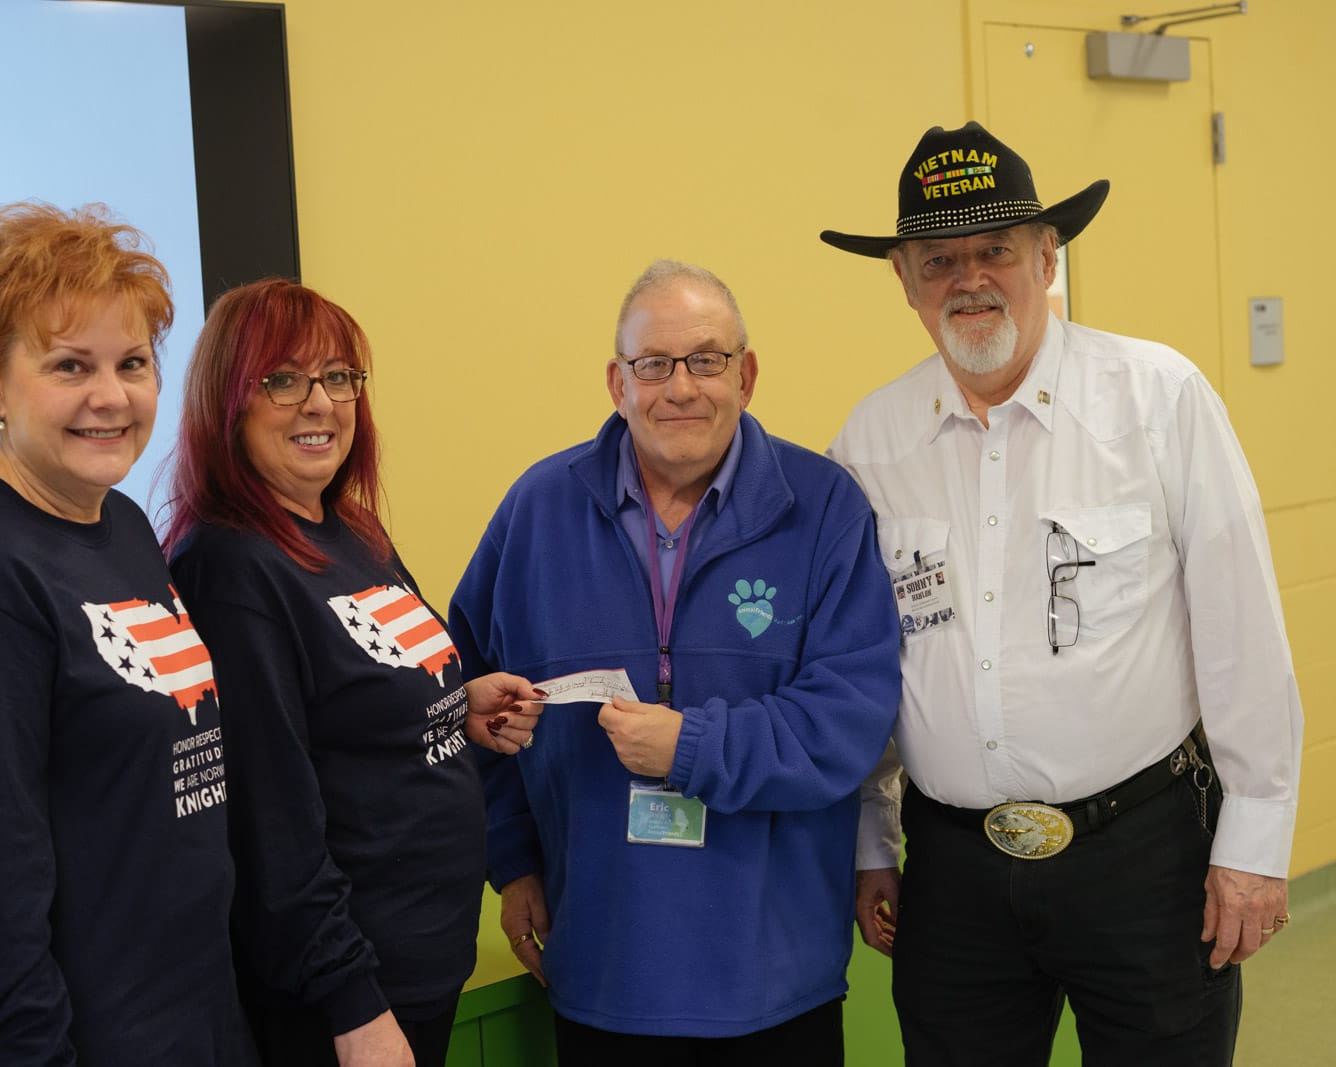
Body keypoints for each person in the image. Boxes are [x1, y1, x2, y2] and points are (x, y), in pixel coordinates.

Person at [822, 122, 1304, 1066]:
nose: (969, 277)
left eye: (996, 248)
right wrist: (869, 841)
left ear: (1048, 256)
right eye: (939, 258)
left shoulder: (1157, 397)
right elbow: (866, 664)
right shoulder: (871, 441)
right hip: (952, 875)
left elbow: (1241, 631)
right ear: (905, 281)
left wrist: (1254, 839)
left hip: (1145, 862)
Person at [448, 259, 902, 1064]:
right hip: (599, 966)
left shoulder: (825, 506)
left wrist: (692, 747)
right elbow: (466, 699)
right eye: (653, 365)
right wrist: (512, 861)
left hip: (776, 979)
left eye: (706, 359)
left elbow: (849, 717)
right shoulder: (536, 511)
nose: (680, 387)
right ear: (617, 382)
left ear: (747, 374)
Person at [0, 202, 253, 1065]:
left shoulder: (123, 526)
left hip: (186, 1020)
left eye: (133, 363)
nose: (111, 396)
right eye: (69, 365)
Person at [163, 278, 544, 1067]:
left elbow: (354, 701)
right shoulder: (232, 568)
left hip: (420, 966)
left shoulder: (349, 530)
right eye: (283, 379)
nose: (320, 403)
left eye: (339, 377)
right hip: (343, 1006)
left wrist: (452, 704)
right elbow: (272, 823)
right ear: (228, 402)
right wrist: (352, 1005)